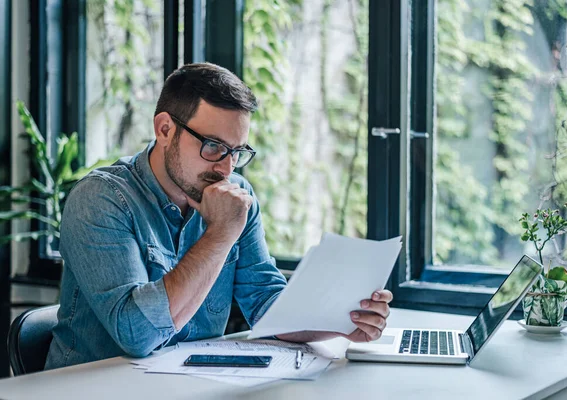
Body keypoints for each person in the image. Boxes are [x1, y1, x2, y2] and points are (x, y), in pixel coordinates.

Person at [45, 63, 393, 370]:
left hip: (187, 384)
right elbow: (138, 335)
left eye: (237, 152)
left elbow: (266, 306)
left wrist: (343, 321)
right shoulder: (102, 198)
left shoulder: (237, 196)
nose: (225, 167)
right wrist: (221, 233)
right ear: (165, 129)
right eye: (212, 146)